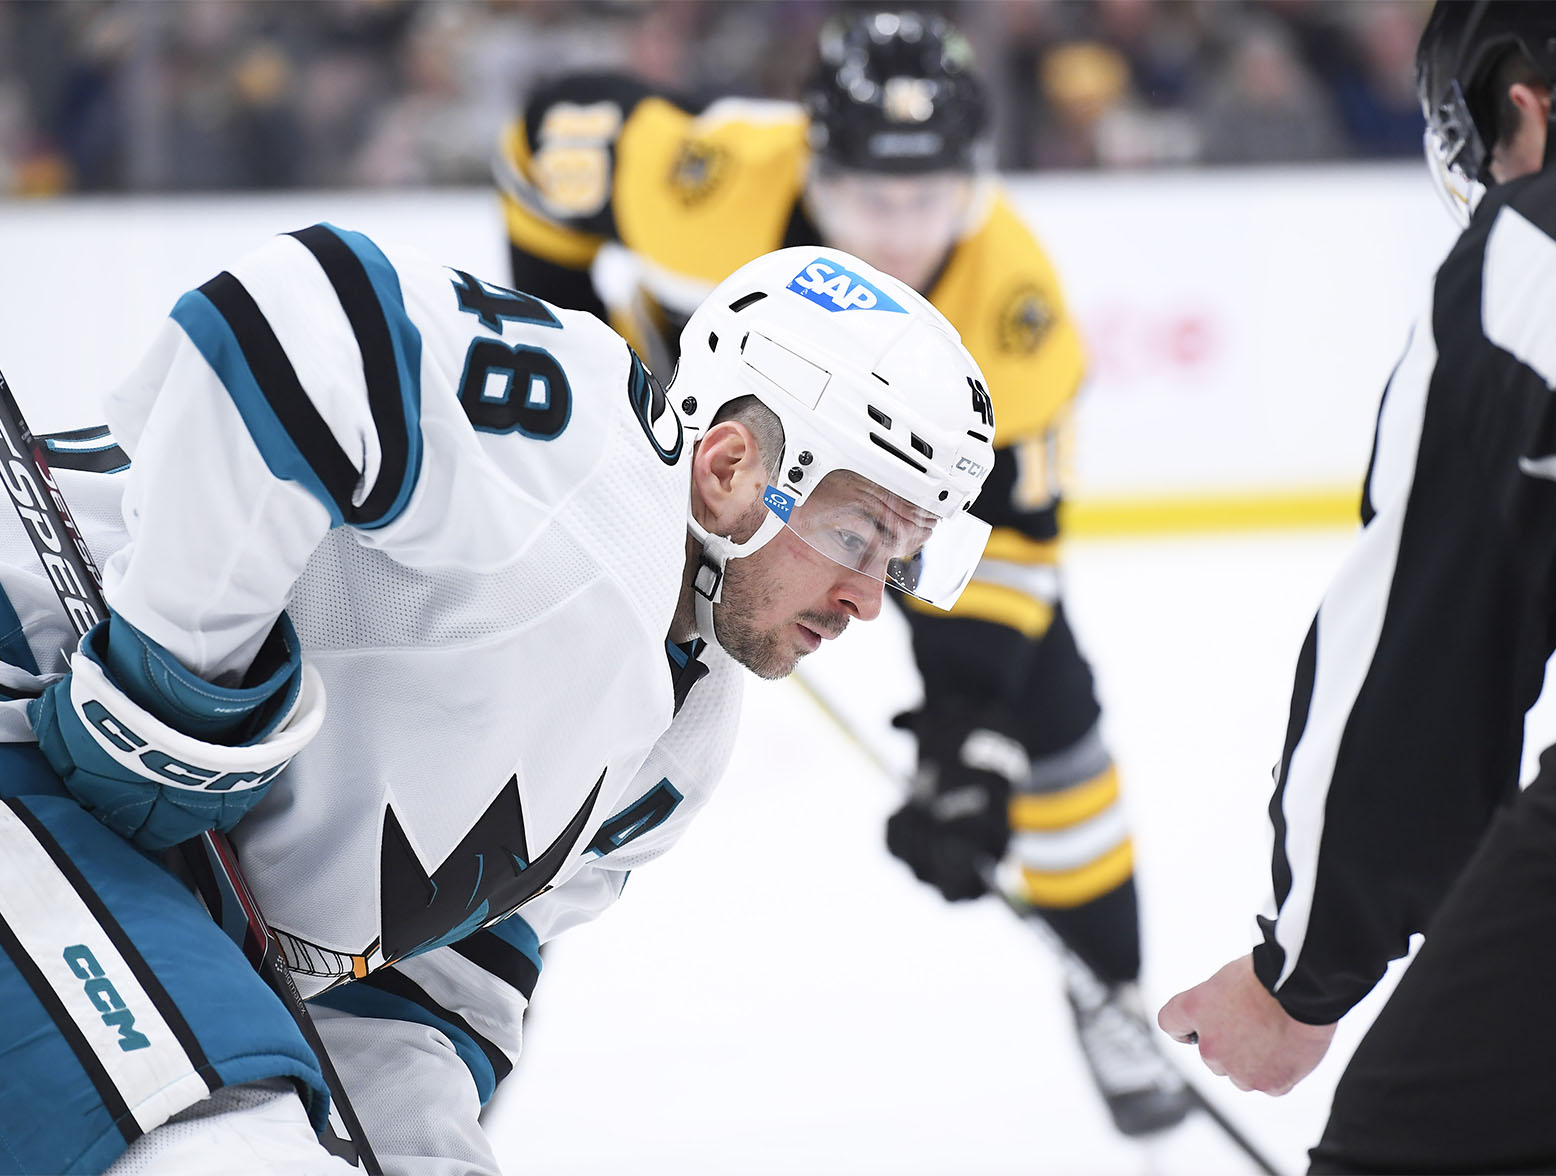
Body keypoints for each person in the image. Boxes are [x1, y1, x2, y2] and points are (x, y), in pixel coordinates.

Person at [0, 234, 995, 1175]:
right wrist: (167, 696)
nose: (869, 598)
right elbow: (294, 320)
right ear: (730, 467)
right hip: (29, 697)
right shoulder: (589, 447)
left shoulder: (680, 751)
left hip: (140, 889)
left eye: (900, 561)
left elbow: (418, 988)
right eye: (858, 535)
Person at [493, 8, 1192, 1136]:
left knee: (1052, 721)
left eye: (927, 201)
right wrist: (585, 376)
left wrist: (970, 736)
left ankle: (1104, 987)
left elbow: (1007, 547)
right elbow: (552, 142)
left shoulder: (1014, 311)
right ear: (810, 164)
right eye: (868, 197)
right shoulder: (710, 178)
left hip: (875, 500)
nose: (896, 234)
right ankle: (457, 964)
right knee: (566, 703)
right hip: (721, 466)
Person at [1158, 3, 1556, 1171]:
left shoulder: (1525, 258)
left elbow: (1424, 656)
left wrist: (1301, 977)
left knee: (1411, 1142)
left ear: (1517, 110)